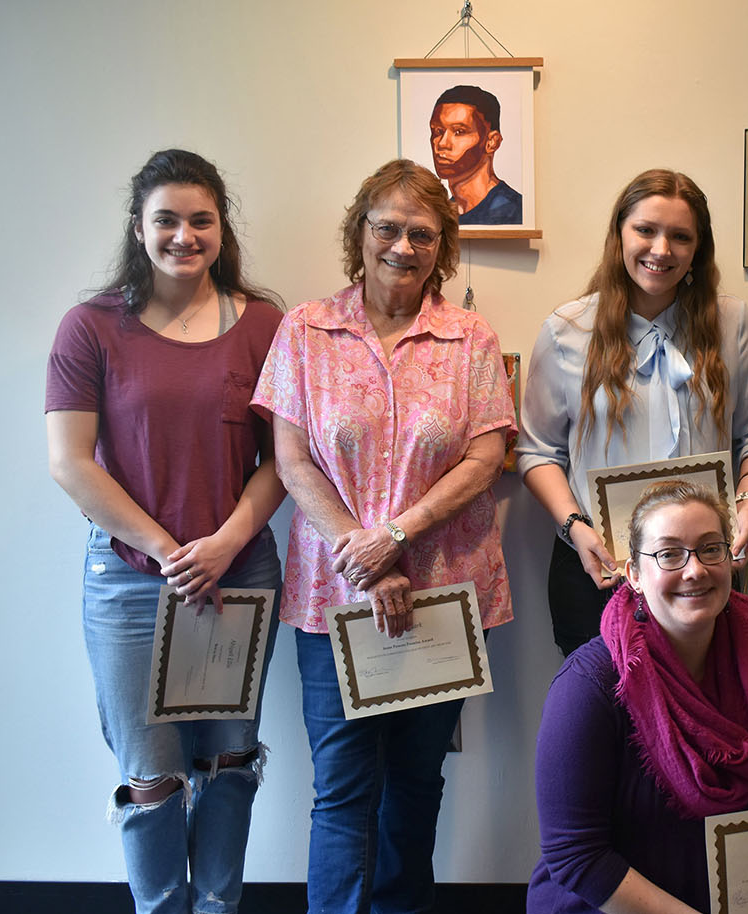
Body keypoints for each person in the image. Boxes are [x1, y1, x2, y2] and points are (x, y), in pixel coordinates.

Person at [251, 159, 516, 914]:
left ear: (443, 247)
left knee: (414, 781)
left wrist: (396, 533)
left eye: (422, 234)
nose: (402, 245)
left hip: (441, 594)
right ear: (359, 231)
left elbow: (488, 454)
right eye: (388, 227)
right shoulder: (305, 329)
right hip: (332, 597)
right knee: (341, 787)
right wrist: (362, 554)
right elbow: (291, 457)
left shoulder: (470, 337)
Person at [46, 148, 286, 914]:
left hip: (239, 574)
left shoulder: (267, 325)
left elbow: (285, 462)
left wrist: (221, 545)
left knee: (228, 760)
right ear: (138, 227)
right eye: (166, 220)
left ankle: (217, 907)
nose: (184, 235)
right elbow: (70, 464)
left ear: (222, 228)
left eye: (200, 220)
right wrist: (166, 550)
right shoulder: (90, 328)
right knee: (150, 777)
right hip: (128, 581)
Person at [518, 168, 748, 656]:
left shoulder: (732, 324)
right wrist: (577, 530)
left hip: (701, 570)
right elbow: (537, 452)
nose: (661, 250)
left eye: (680, 236)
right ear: (620, 233)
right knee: (608, 722)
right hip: (598, 571)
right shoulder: (565, 330)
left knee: (702, 722)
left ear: (697, 249)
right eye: (646, 230)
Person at [528, 480, 748, 913]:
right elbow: (576, 857)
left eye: (710, 549)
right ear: (634, 575)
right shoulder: (590, 683)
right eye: (669, 553)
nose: (695, 570)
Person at [428, 84, 523, 225]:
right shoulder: (442, 216)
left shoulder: (513, 211)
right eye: (438, 131)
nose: (442, 144)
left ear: (492, 142)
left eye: (459, 132)